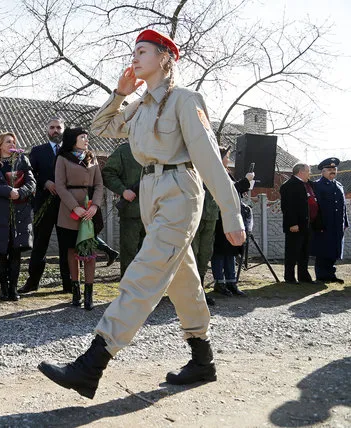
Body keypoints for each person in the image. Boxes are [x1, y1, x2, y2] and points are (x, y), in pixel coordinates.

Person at [38, 29, 245, 398]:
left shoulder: (185, 99)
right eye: (133, 52)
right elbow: (100, 127)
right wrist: (120, 93)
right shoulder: (140, 105)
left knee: (145, 272)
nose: (134, 58)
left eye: (143, 51)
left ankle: (92, 364)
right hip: (150, 192)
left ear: (165, 57)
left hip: (180, 188)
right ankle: (202, 359)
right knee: (182, 277)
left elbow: (210, 159)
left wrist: (231, 213)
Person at [18, 118, 72, 294]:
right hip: (44, 203)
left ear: (64, 130)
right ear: (47, 130)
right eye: (52, 127)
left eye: (58, 127)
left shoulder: (71, 150)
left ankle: (68, 284)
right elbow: (30, 174)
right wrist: (45, 182)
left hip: (67, 205)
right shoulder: (38, 151)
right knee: (40, 244)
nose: (55, 130)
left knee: (67, 245)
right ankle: (32, 282)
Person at [54, 127, 104, 310]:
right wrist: (74, 206)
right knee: (72, 250)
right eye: (82, 136)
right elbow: (59, 185)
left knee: (90, 251)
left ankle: (89, 293)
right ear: (73, 139)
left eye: (87, 136)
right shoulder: (63, 158)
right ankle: (76, 292)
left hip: (90, 210)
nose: (86, 139)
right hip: (69, 211)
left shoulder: (93, 157)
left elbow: (99, 184)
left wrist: (94, 206)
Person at [0, 133, 36, 301]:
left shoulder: (22, 160)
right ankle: (3, 288)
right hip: (0, 212)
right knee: (1, 251)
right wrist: (8, 191)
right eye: (8, 142)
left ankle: (13, 288)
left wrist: (20, 192)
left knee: (15, 251)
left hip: (20, 212)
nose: (12, 144)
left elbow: (32, 182)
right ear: (0, 145)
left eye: (13, 141)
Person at [211, 146, 253, 297]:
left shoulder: (227, 173)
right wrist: (246, 181)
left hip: (231, 217)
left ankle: (231, 281)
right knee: (220, 252)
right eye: (227, 157)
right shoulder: (216, 173)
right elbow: (229, 192)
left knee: (231, 251)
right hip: (220, 218)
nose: (228, 160)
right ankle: (219, 282)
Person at [101, 142, 146, 277]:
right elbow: (108, 173)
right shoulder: (125, 150)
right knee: (129, 253)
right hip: (132, 211)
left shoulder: (161, 147)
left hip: (157, 212)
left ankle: (150, 291)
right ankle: (129, 291)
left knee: (153, 254)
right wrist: (123, 191)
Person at [279, 163, 320, 284]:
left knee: (304, 252)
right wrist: (292, 223)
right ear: (300, 172)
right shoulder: (289, 185)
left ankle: (304, 276)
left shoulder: (308, 184)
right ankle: (289, 277)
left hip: (307, 224)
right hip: (295, 225)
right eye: (308, 171)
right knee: (292, 251)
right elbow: (288, 207)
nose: (310, 173)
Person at [310, 157, 348, 283]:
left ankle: (331, 274)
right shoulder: (317, 185)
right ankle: (321, 275)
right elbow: (315, 206)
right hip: (324, 224)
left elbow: (343, 206)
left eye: (334, 169)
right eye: (329, 169)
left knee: (334, 249)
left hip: (337, 224)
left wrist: (345, 222)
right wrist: (317, 223)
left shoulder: (339, 186)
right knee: (323, 250)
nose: (332, 171)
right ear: (323, 171)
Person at [191, 188, 219, 305]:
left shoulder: (215, 169)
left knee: (205, 253)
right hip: (193, 213)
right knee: (193, 253)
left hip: (211, 213)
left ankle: (200, 291)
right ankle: (191, 292)